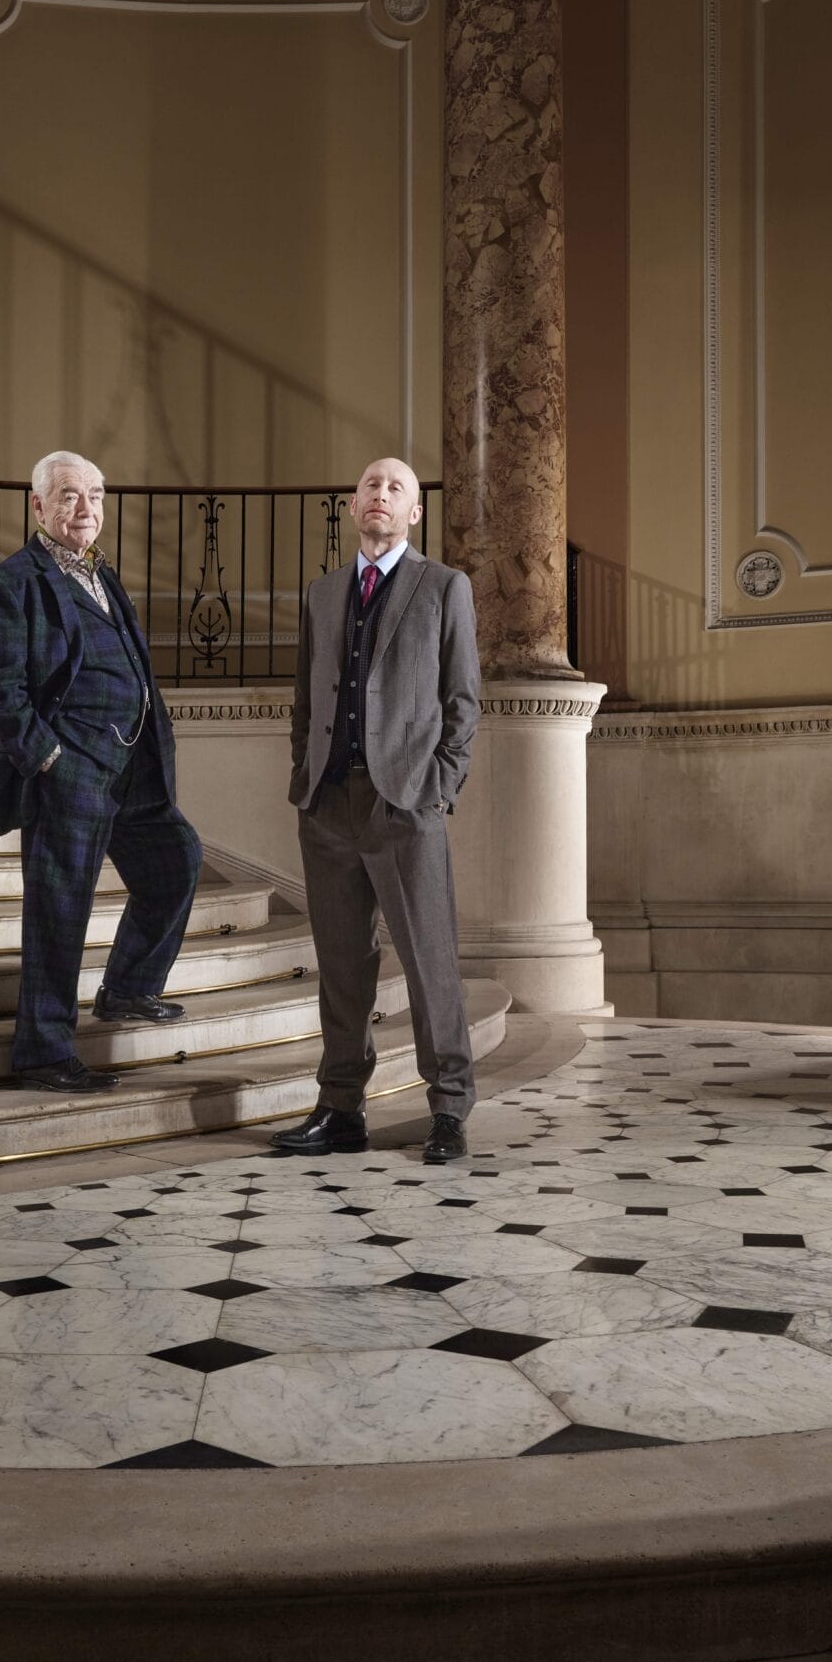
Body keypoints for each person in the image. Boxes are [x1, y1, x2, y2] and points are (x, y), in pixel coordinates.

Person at [0, 451, 202, 1092]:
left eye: (95, 495)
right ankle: (43, 1052)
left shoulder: (102, 574)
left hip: (134, 766)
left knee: (177, 859)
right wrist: (48, 759)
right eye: (69, 495)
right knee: (59, 909)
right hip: (68, 770)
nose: (86, 508)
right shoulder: (10, 584)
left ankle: (127, 987)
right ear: (39, 506)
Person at [273, 457, 480, 1164]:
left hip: (406, 803)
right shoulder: (324, 593)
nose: (380, 495)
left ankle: (448, 1108)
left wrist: (441, 784)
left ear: (414, 512)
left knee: (429, 961)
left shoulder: (444, 586)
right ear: (352, 504)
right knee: (341, 966)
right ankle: (340, 1108)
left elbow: (463, 701)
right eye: (370, 485)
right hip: (328, 804)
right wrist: (305, 774)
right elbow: (306, 701)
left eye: (395, 488)